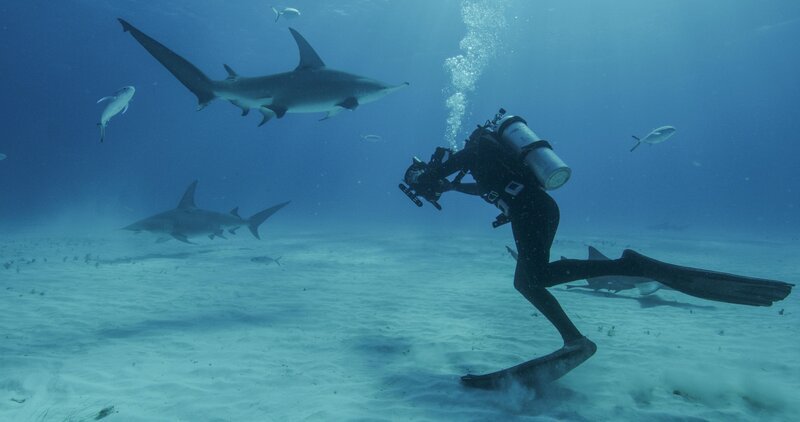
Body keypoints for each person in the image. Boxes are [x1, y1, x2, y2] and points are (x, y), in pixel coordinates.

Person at [401, 110, 794, 389]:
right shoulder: (489, 160)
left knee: (531, 279)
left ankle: (617, 284)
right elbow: (487, 186)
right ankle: (582, 330)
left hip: (532, 212)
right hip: (535, 211)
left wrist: (427, 175)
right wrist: (452, 186)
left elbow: (449, 166)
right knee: (531, 280)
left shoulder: (478, 148)